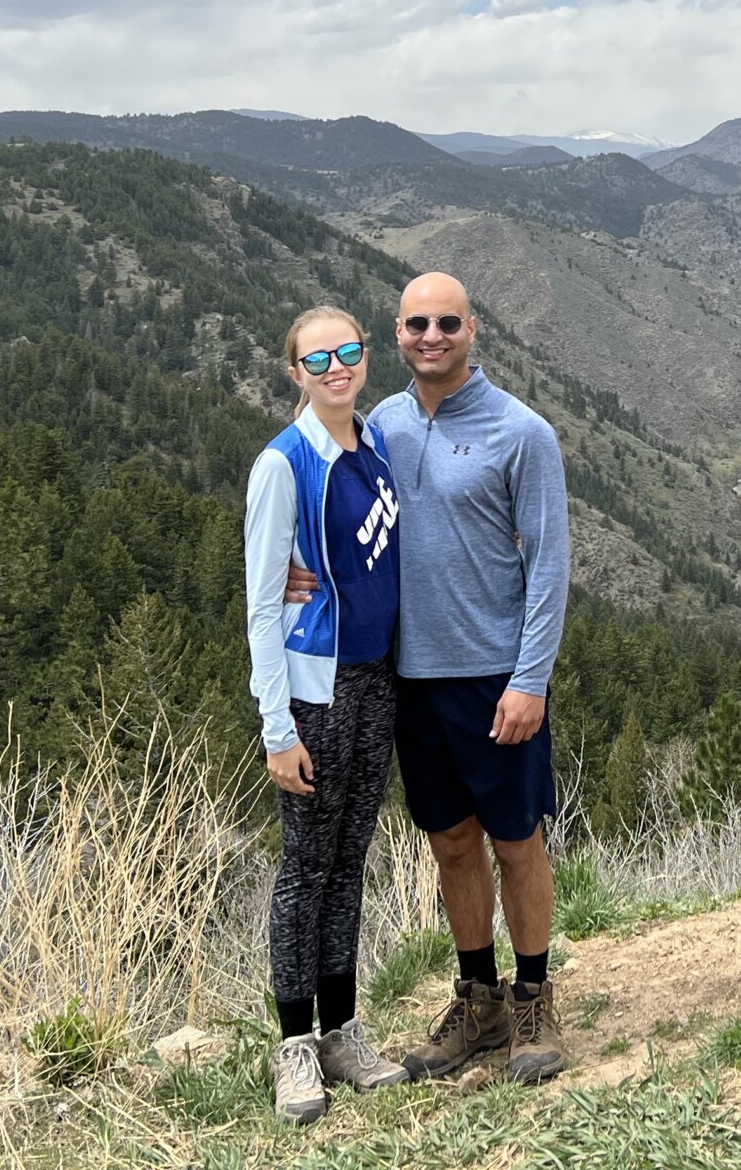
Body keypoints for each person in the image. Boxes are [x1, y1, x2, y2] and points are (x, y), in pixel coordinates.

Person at [292, 271, 573, 1083]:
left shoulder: (523, 433)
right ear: (399, 332)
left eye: (446, 322)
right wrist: (290, 572)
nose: (431, 336)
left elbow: (550, 567)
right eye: (416, 323)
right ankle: (477, 996)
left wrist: (531, 678)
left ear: (472, 329)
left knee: (517, 844)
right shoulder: (379, 425)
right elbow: (335, 517)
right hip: (407, 679)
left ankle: (531, 998)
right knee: (450, 842)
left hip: (493, 677)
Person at [245, 307, 411, 1125]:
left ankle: (342, 1031)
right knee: (305, 866)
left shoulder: (372, 442)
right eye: (319, 358)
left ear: (364, 356)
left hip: (377, 681)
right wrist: (278, 729)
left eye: (348, 352)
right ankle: (294, 1047)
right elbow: (261, 606)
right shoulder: (284, 463)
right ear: (295, 372)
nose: (336, 367)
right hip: (318, 691)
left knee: (350, 860)